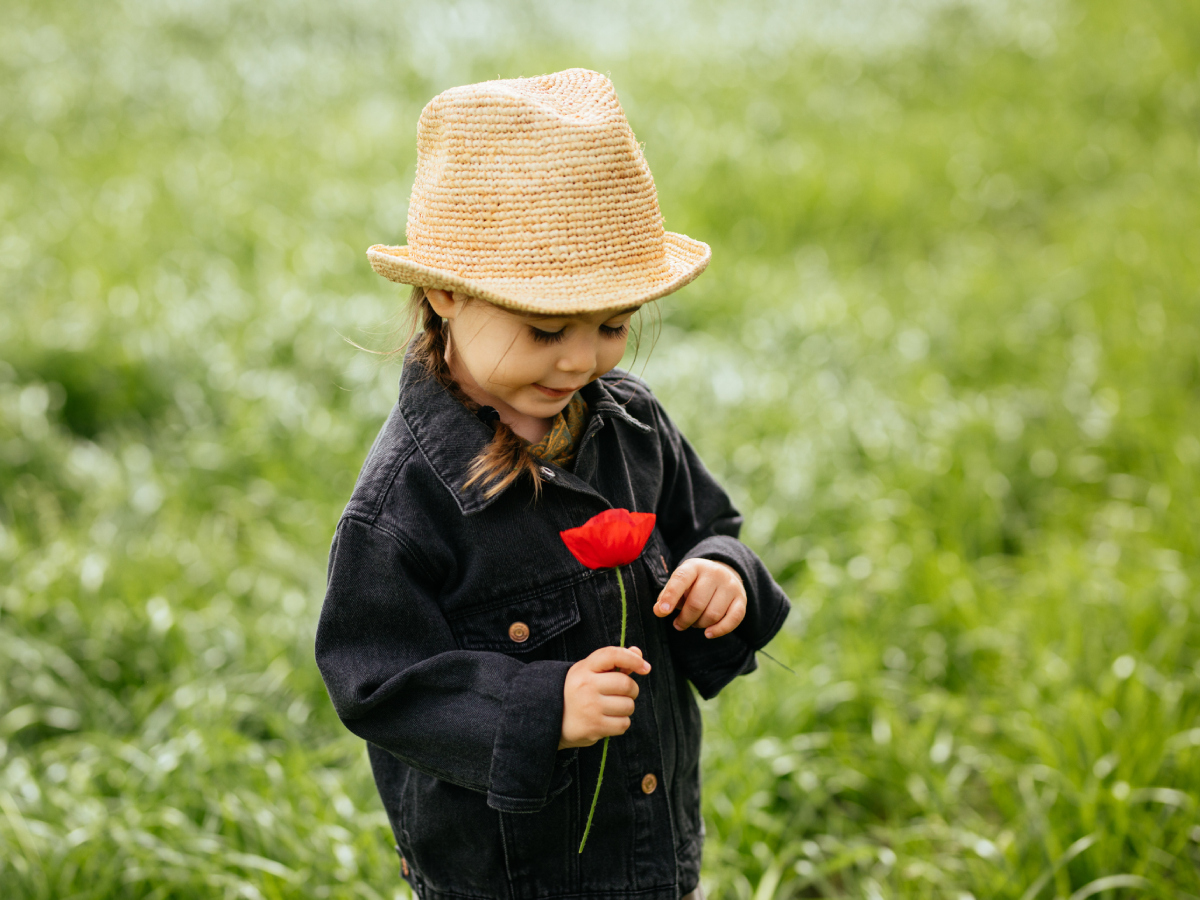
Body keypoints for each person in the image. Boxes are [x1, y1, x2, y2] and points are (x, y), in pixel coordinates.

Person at [315, 68, 790, 900]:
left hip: (648, 838)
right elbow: (376, 681)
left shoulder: (632, 425)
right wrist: (538, 711)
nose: (580, 360)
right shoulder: (405, 502)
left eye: (612, 326)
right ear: (445, 294)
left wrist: (723, 575)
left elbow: (708, 524)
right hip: (505, 871)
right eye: (544, 330)